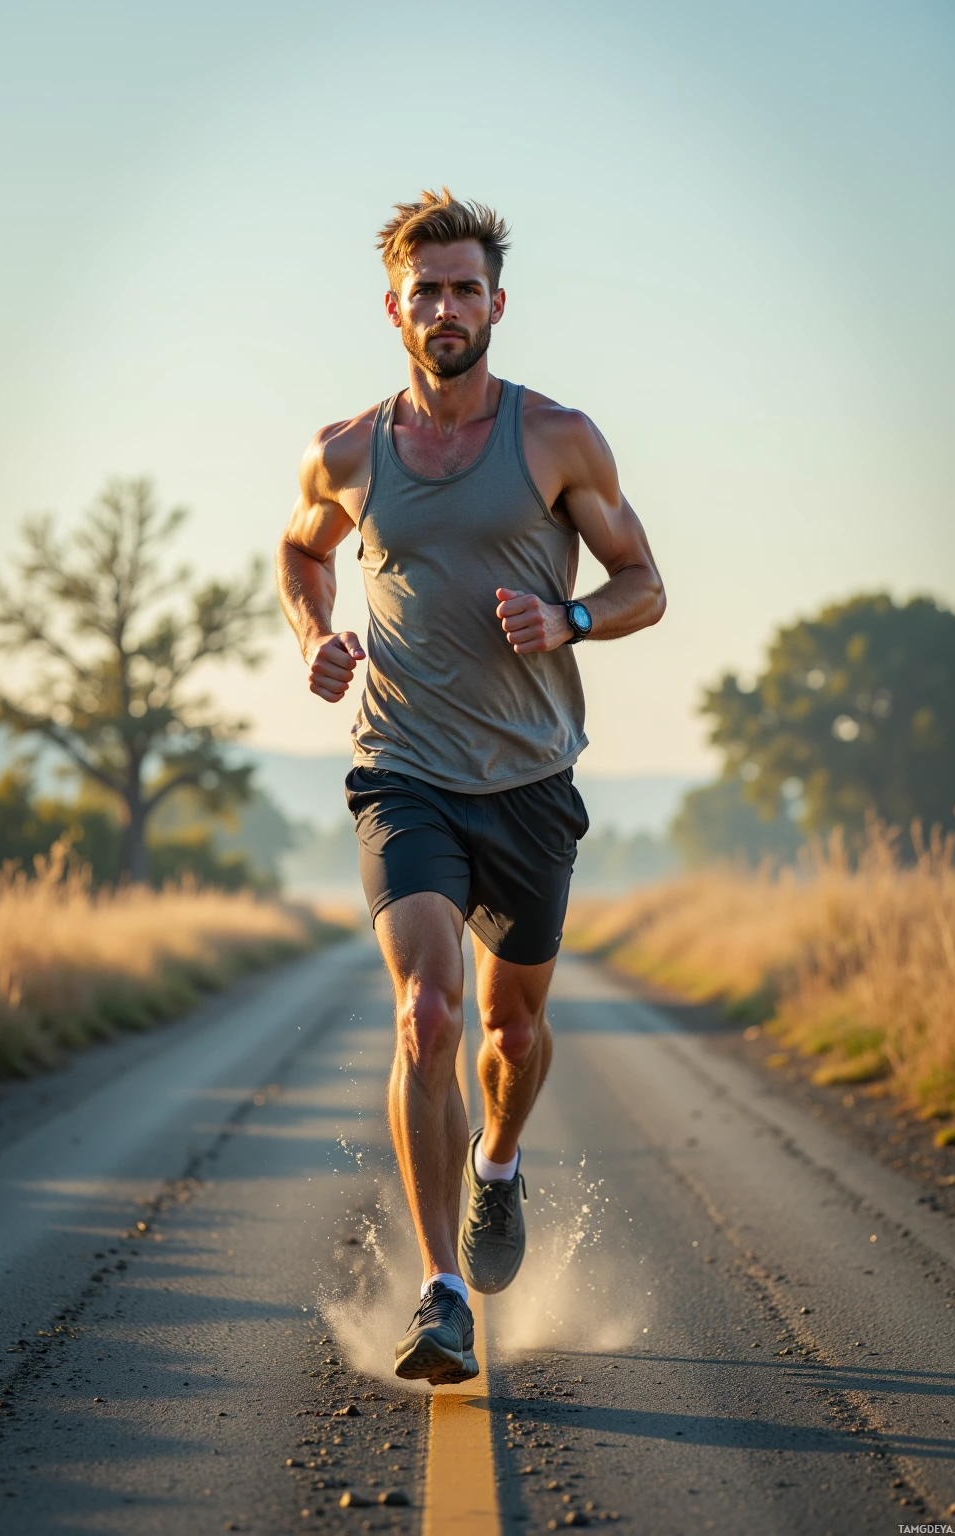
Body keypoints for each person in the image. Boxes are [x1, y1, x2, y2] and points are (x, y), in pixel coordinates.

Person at [276, 189, 665, 1385]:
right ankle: (442, 1290)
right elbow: (299, 548)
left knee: (510, 1027)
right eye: (425, 289)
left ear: (497, 303)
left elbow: (645, 581)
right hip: (402, 772)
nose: (445, 308)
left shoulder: (557, 438)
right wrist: (314, 638)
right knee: (429, 1015)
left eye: (465, 288)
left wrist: (572, 617)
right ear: (393, 307)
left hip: (532, 780)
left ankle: (500, 1166)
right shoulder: (347, 450)